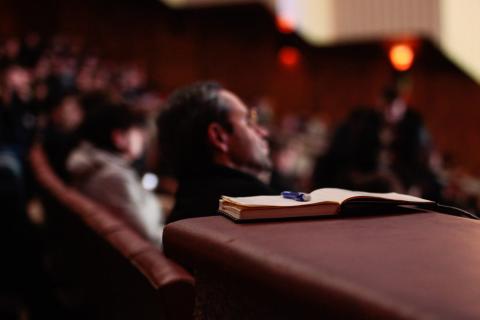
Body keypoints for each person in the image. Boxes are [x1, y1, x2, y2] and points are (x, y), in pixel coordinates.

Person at [157, 81, 275, 223]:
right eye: (248, 122)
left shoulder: (185, 209)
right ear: (219, 137)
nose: (263, 132)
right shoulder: (257, 206)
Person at [67, 102, 164, 246]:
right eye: (137, 131)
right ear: (119, 138)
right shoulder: (114, 178)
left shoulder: (93, 162)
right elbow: (150, 236)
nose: (142, 138)